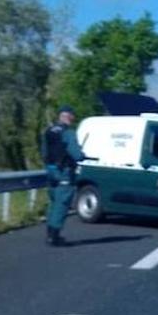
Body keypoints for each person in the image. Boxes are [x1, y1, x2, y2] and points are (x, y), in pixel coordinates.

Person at [40, 105, 88, 246]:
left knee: (53, 202)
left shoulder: (48, 131)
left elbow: (44, 152)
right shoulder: (68, 133)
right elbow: (77, 155)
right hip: (64, 172)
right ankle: (54, 236)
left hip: (50, 170)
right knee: (62, 203)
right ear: (69, 116)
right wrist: (82, 155)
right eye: (73, 115)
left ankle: (50, 232)